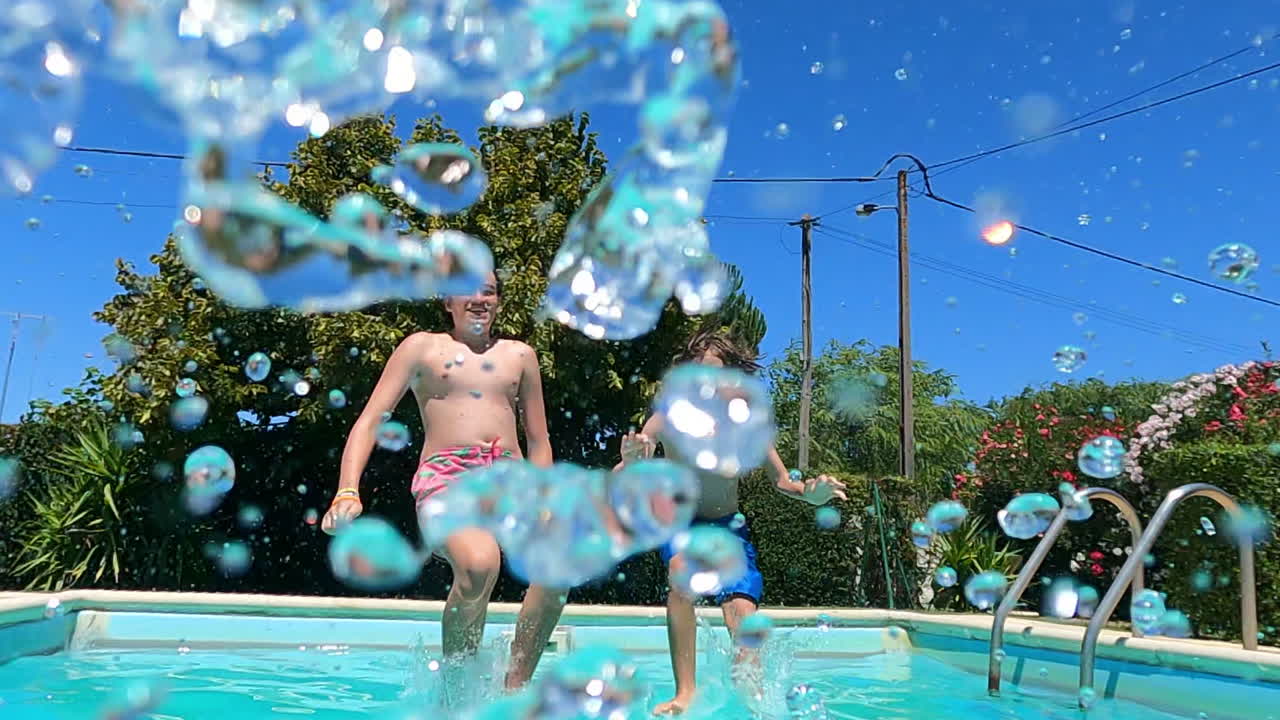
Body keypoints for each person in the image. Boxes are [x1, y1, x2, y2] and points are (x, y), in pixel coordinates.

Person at [321, 269, 565, 694]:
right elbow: (368, 423)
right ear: (446, 301)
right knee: (479, 565)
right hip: (446, 482)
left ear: (499, 301)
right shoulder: (422, 348)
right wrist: (347, 488)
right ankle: (457, 685)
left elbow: (539, 441)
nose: (478, 298)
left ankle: (514, 688)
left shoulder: (520, 356)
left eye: (488, 291)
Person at [614, 327, 847, 716]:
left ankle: (752, 701)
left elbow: (784, 481)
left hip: (728, 530)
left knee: (741, 614)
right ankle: (684, 692)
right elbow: (632, 459)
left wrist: (812, 492)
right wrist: (634, 458)